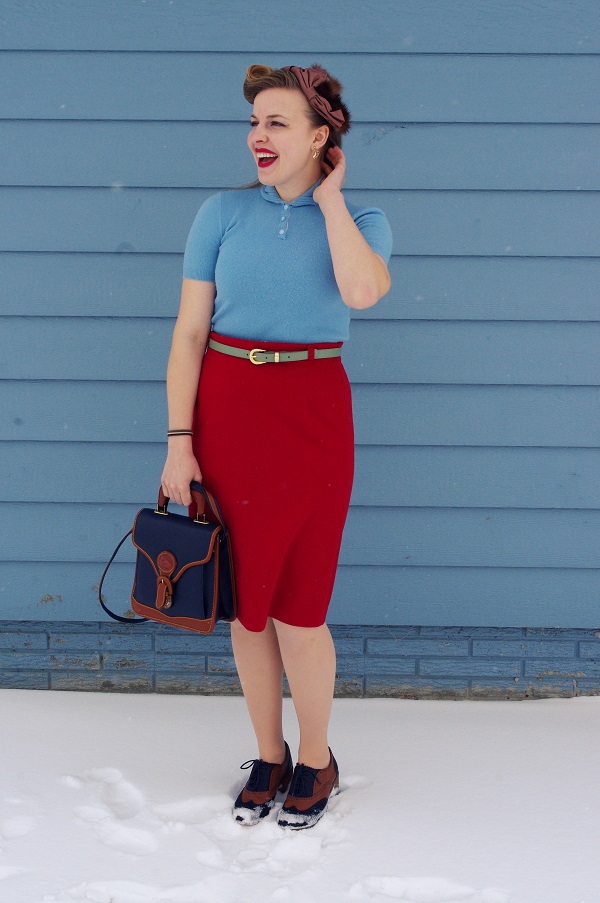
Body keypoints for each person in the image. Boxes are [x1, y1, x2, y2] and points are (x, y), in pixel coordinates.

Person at [161, 63, 392, 830]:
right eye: (254, 121)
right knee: (245, 607)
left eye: (278, 122)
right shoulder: (221, 213)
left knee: (300, 606)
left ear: (321, 137)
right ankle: (269, 753)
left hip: (313, 417)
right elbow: (189, 334)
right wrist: (179, 441)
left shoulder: (364, 220)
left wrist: (329, 199)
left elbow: (361, 293)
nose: (258, 136)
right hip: (227, 413)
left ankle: (317, 757)